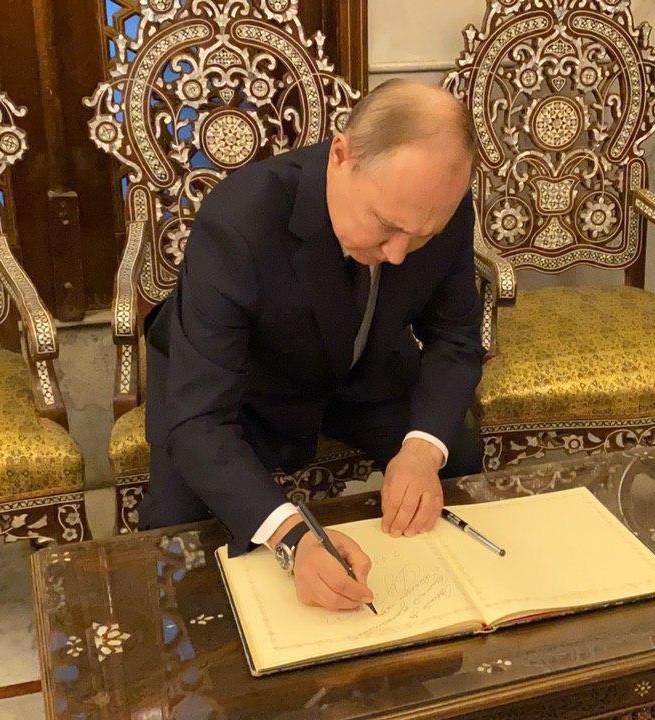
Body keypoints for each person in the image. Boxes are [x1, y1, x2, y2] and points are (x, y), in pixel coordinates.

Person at [141, 79, 485, 612]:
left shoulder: (437, 206)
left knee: (453, 453)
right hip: (239, 388)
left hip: (361, 368)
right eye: (386, 226)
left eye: (422, 235)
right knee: (175, 526)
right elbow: (200, 420)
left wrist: (420, 451)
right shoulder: (239, 220)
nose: (399, 254)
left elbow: (456, 337)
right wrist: (293, 537)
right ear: (342, 155)